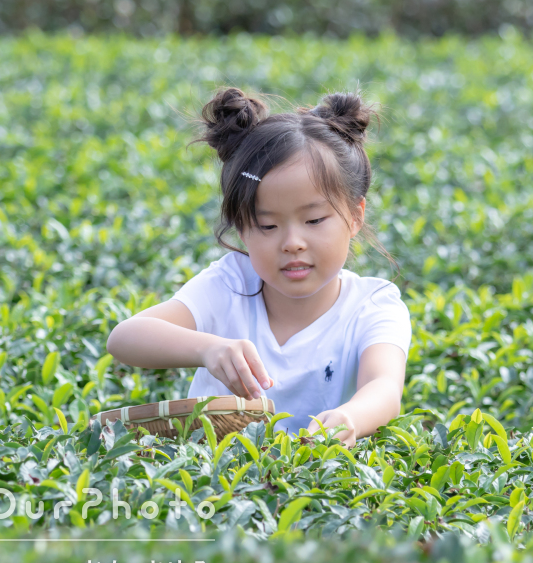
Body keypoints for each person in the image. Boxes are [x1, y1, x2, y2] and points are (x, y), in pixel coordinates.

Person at [106, 86, 412, 448]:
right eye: (267, 226)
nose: (292, 242)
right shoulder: (230, 285)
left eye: (314, 220)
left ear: (355, 216)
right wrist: (209, 349)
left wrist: (351, 418)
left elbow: (384, 388)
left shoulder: (373, 306)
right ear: (241, 228)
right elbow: (125, 337)